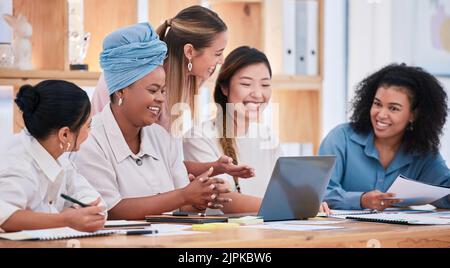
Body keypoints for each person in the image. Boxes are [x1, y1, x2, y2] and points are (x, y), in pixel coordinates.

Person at [74, 23, 232, 220]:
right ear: (121, 91)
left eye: (163, 90)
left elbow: (181, 204)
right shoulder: (89, 141)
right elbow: (111, 209)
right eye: (152, 90)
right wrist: (184, 196)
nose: (161, 99)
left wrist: (202, 197)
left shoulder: (162, 138)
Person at [90, 5, 253, 182]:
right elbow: (141, 165)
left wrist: (216, 168)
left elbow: (166, 161)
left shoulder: (186, 81)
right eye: (217, 53)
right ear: (189, 51)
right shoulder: (141, 84)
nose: (221, 61)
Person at [184, 46, 331, 214]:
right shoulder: (198, 137)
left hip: (269, 232)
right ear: (224, 88)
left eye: (265, 84)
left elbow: (286, 190)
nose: (258, 94)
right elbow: (222, 200)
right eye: (246, 84)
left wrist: (308, 202)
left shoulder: (267, 136)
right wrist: (294, 207)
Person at [319, 63, 450, 210]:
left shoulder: (423, 153)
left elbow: (446, 195)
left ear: (413, 114)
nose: (381, 114)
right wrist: (361, 200)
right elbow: (318, 193)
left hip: (399, 233)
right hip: (345, 232)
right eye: (377, 104)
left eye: (393, 108)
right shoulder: (340, 139)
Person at [0, 80, 106, 232]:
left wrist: (83, 214)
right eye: (88, 126)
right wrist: (65, 220)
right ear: (64, 134)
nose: (90, 132)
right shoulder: (19, 164)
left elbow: (95, 202)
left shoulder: (60, 158)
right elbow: (4, 217)